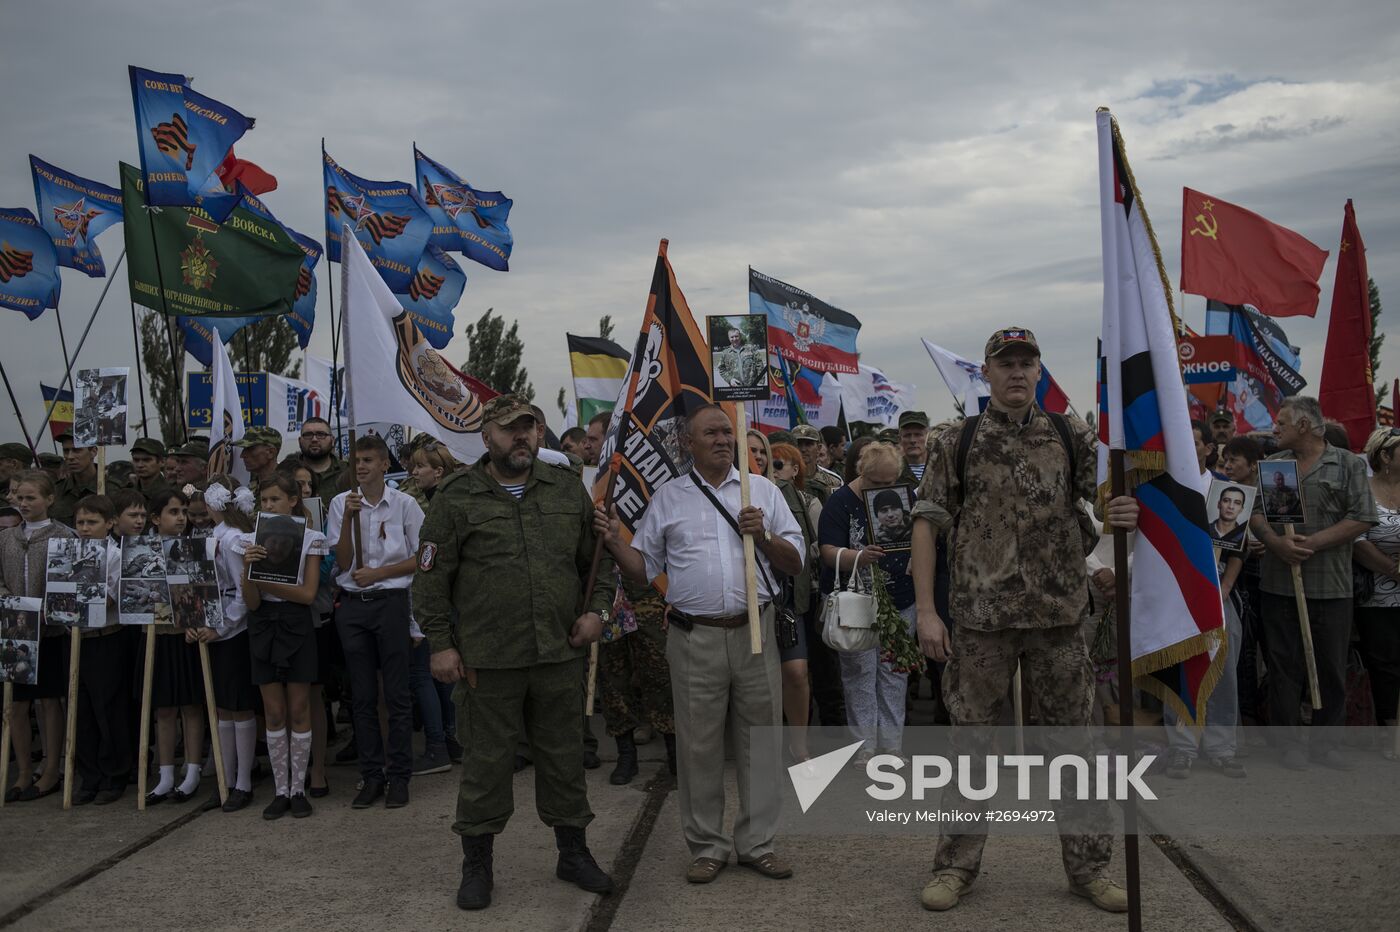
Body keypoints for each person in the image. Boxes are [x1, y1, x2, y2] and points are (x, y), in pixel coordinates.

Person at [909, 327, 1139, 913]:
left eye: (1026, 363)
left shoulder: (1071, 434)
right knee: (970, 750)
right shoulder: (953, 441)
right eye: (1005, 363)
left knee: (1075, 748)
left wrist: (1122, 509)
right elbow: (927, 524)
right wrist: (928, 613)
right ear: (986, 373)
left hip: (1059, 619)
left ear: (1039, 372)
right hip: (981, 622)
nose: (1016, 372)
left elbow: (1109, 499)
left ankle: (1090, 870)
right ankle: (955, 866)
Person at [412, 394, 615, 910]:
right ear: (487, 438)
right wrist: (440, 644)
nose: (521, 436)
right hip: (488, 661)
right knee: (486, 765)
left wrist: (597, 613)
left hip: (557, 654)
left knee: (564, 761)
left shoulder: (568, 490)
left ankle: (573, 853)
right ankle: (477, 865)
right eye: (509, 429)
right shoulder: (457, 497)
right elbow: (431, 581)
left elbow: (597, 563)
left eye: (529, 427)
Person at [597, 404, 804, 885]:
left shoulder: (764, 491)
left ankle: (758, 844)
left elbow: (794, 562)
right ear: (687, 444)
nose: (722, 440)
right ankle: (708, 846)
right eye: (710, 433)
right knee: (699, 749)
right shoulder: (669, 498)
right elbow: (643, 570)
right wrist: (612, 541)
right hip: (694, 639)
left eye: (726, 433)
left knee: (760, 746)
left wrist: (765, 535)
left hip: (756, 633)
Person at [1248, 396, 1376, 771]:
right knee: (1284, 666)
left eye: (1282, 423)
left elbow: (1363, 517)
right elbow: (1256, 515)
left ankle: (1327, 743)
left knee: (1331, 667)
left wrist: (1314, 543)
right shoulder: (1275, 467)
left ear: (1304, 426)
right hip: (1279, 584)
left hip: (1331, 586)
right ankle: (1288, 743)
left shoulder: (1347, 464)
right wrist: (1276, 543)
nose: (1275, 429)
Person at [327, 435, 424, 810]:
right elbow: (344, 562)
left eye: (368, 460)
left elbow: (424, 556)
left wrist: (381, 571)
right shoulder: (340, 504)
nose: (361, 466)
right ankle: (371, 776)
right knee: (362, 698)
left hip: (391, 603)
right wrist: (350, 517)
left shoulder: (405, 504)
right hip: (353, 607)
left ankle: (399, 776)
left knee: (397, 696)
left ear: (385, 465)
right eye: (356, 461)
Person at [820, 442, 917, 764]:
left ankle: (892, 744)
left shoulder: (908, 497)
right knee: (859, 672)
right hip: (857, 602)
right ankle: (864, 746)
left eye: (891, 483)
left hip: (901, 598)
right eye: (877, 484)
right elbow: (828, 551)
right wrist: (858, 557)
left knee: (894, 671)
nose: (885, 490)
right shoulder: (840, 502)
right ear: (863, 474)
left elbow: (922, 538)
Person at [237, 473, 327, 819]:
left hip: (296, 624)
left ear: (293, 500)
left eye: (275, 499)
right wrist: (249, 570)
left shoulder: (311, 539)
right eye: (264, 501)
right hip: (262, 626)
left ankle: (299, 788)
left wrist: (268, 579)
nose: (269, 506)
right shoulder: (251, 542)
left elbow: (307, 594)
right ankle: (280, 790)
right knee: (273, 711)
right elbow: (253, 603)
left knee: (299, 707)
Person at [0, 471, 76, 802]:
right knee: (16, 703)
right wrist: (11, 602)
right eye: (21, 497)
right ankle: (21, 770)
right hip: (15, 629)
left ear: (49, 499)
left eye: (31, 497)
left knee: (49, 701)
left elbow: (70, 580)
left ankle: (50, 769)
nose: (24, 503)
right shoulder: (6, 538)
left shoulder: (64, 535)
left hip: (51, 629)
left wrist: (47, 607)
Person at [197, 477, 260, 812]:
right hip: (215, 630)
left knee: (239, 706)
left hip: (234, 634)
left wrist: (220, 628)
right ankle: (227, 777)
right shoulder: (215, 536)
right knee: (223, 707)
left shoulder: (234, 539)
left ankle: (243, 783)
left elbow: (240, 591)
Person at [772, 440, 844, 733]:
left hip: (809, 593)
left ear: (794, 469)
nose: (772, 469)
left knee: (821, 669)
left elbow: (820, 546)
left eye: (779, 464)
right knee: (786, 674)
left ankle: (833, 731)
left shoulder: (808, 499)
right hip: (775, 599)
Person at [143, 488, 208, 806]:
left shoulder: (195, 547)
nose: (181, 517)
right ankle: (165, 773)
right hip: (157, 636)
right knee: (163, 708)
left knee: (192, 706)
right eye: (173, 512)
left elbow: (206, 592)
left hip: (189, 636)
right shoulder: (141, 551)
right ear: (155, 518)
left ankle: (192, 770)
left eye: (183, 511)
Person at [68, 495, 134, 806]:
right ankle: (89, 776)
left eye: (91, 522)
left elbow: (108, 598)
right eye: (80, 522)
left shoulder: (116, 555)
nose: (84, 528)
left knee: (109, 709)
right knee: (82, 712)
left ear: (109, 524)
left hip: (107, 637)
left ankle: (114, 774)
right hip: (78, 638)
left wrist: (72, 602)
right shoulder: (68, 554)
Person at [407, 440, 463, 770]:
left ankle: (439, 745)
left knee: (425, 672)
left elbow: (432, 560)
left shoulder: (443, 502)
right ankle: (452, 740)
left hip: (444, 599)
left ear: (438, 472)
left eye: (420, 467)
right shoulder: (439, 498)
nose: (413, 472)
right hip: (447, 597)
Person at [1354, 428, 1400, 758]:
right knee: (1385, 666)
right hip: (1378, 596)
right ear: (1385, 456)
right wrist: (1395, 571)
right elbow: (1358, 543)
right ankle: (1390, 732)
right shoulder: (1363, 493)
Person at [52, 431, 99, 526]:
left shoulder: (112, 489)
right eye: (66, 451)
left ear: (93, 451)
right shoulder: (56, 491)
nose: (70, 457)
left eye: (77, 450)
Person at [297, 418, 344, 509]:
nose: (314, 439)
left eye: (321, 434)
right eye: (308, 435)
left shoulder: (348, 471)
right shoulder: (286, 473)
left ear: (333, 440)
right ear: (299, 441)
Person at [792, 424, 840, 502]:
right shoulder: (785, 478)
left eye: (808, 444)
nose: (803, 449)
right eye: (798, 444)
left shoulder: (833, 481)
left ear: (819, 448)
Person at [1209, 486, 1249, 551]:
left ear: (1241, 509)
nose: (1231, 506)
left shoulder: (1243, 537)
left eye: (1237, 503)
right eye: (1226, 501)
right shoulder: (1204, 529)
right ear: (1219, 504)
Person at [897, 411, 931, 486]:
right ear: (899, 439)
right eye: (907, 435)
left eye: (918, 434)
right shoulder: (894, 470)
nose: (912, 440)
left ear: (927, 437)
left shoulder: (940, 465)